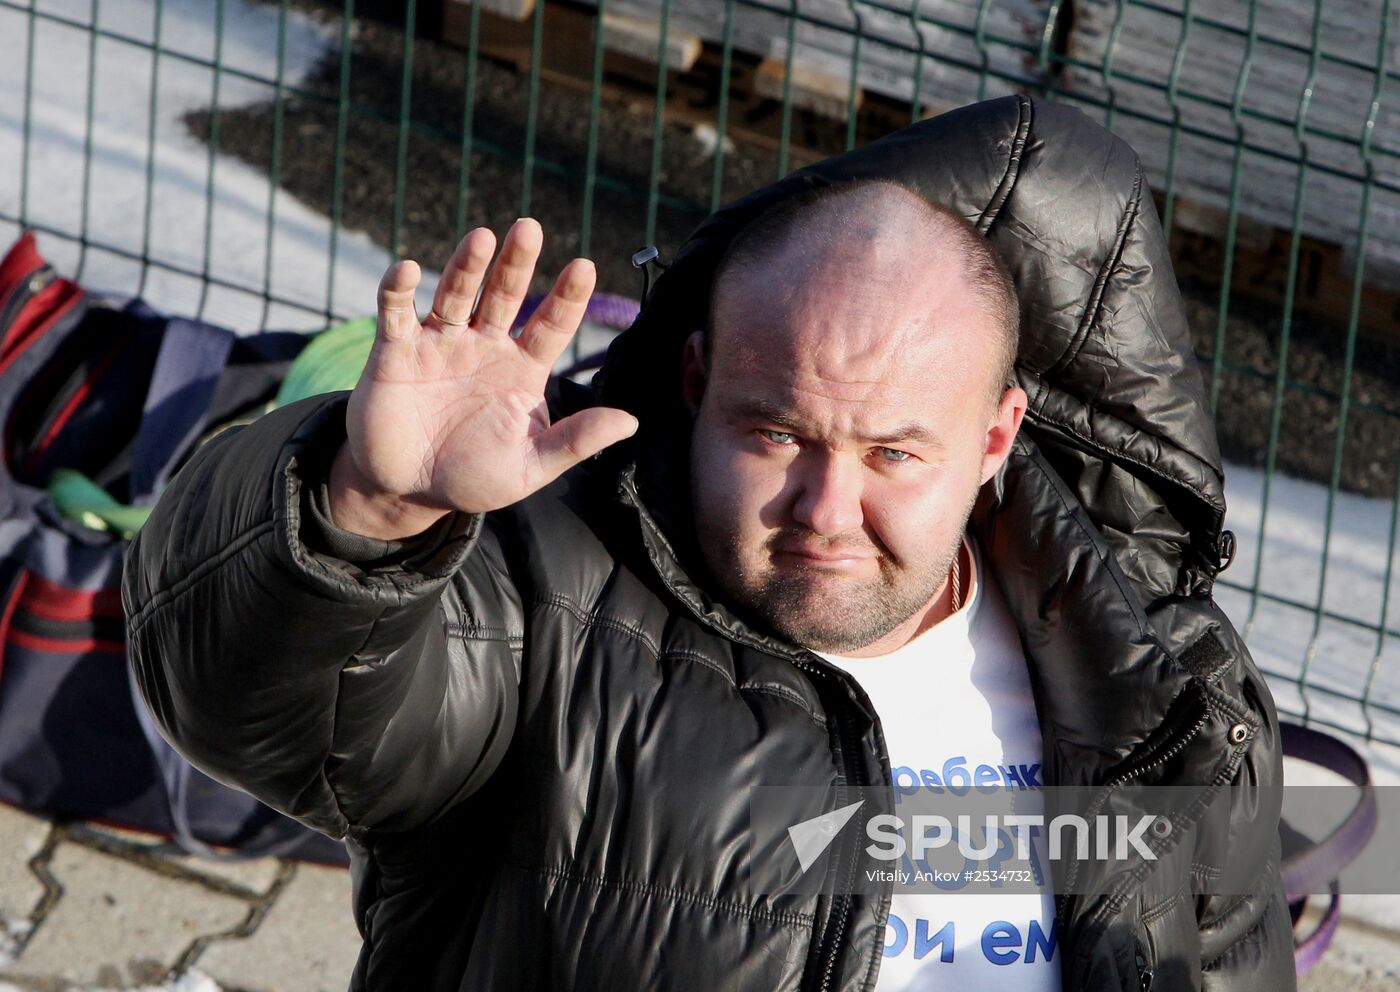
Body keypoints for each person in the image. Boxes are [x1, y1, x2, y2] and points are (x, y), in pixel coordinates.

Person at [123, 97, 1294, 990]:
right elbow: (261, 708)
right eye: (777, 431)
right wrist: (373, 513)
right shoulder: (545, 602)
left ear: (995, 435)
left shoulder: (1152, 674)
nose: (825, 512)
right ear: (696, 379)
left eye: (894, 453)